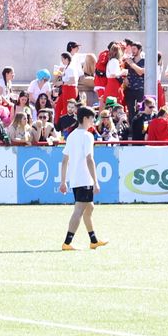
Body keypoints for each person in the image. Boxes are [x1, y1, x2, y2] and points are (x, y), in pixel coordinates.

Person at [58, 106, 105, 251]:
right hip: (84, 178)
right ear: (85, 118)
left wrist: (63, 181)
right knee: (79, 210)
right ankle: (67, 242)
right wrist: (96, 181)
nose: (93, 122)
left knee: (89, 207)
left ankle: (94, 240)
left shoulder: (71, 135)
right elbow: (90, 159)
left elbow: (65, 159)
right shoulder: (87, 136)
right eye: (92, 118)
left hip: (76, 179)